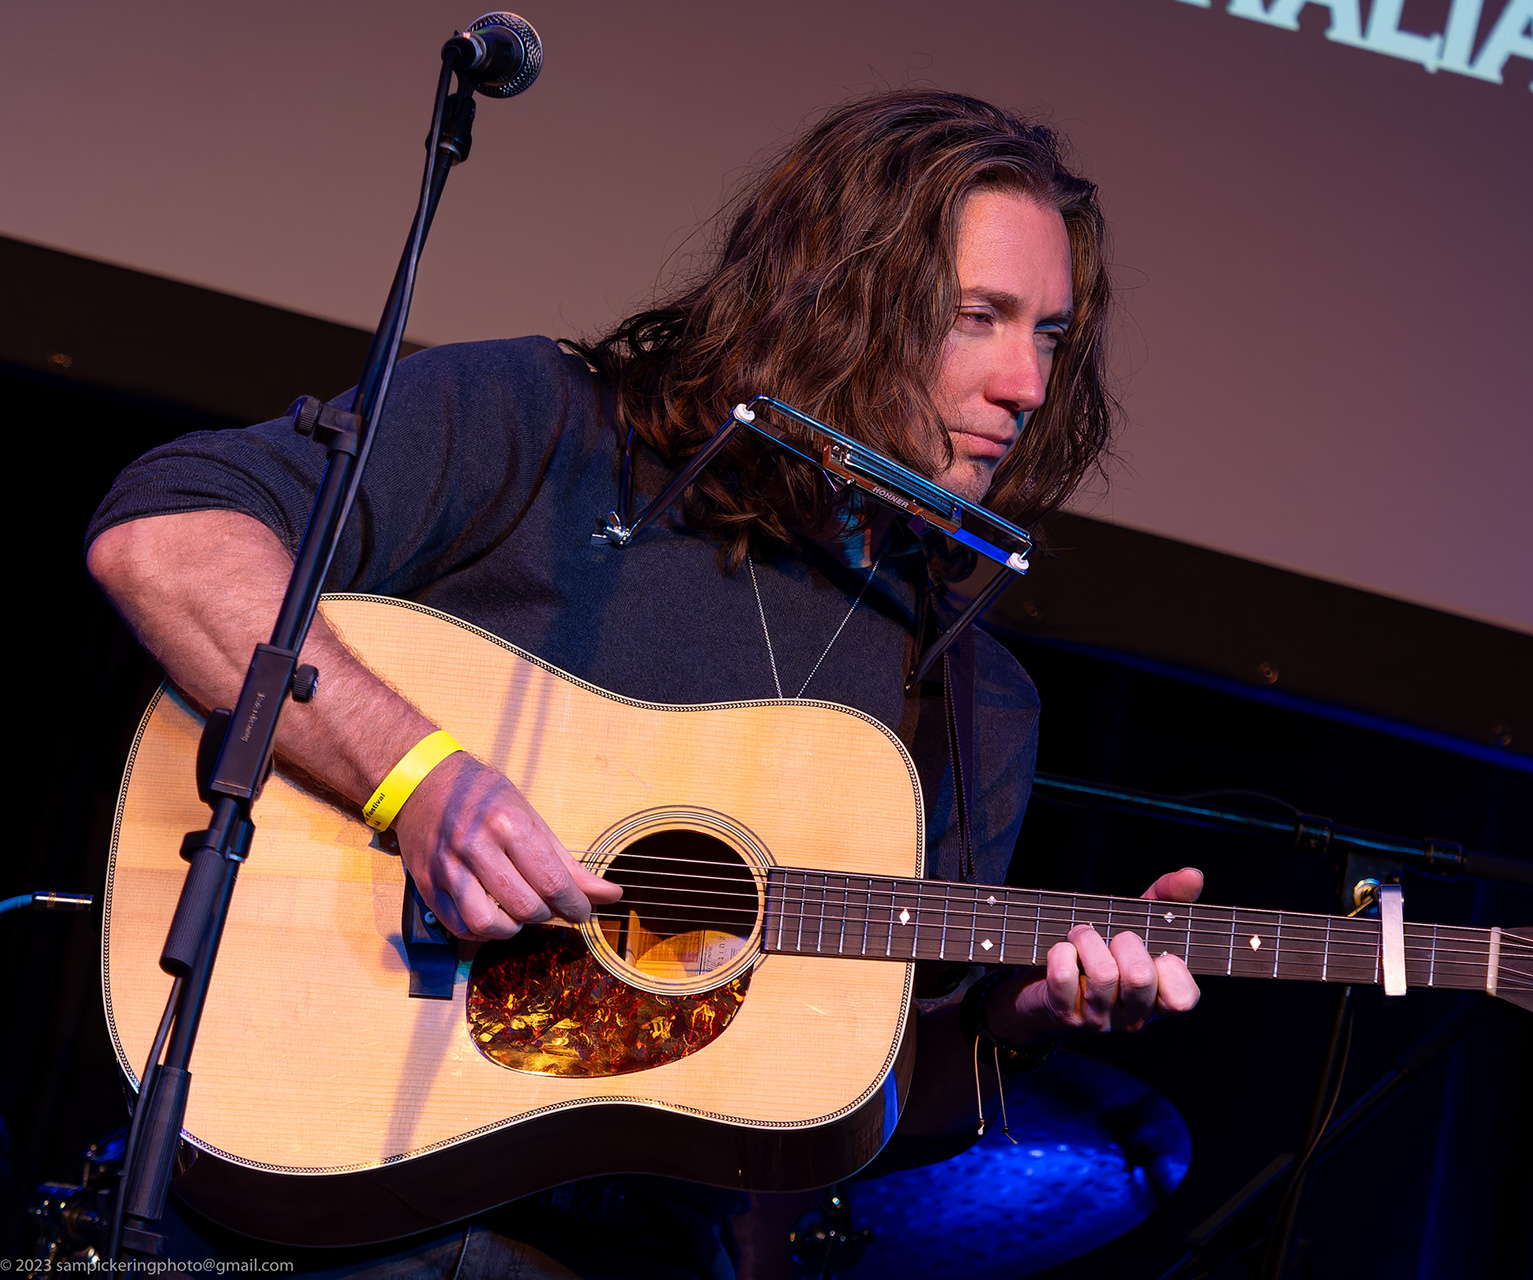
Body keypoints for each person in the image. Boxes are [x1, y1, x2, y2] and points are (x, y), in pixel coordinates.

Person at [87, 89, 1202, 1274]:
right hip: (300, 1196)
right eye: (981, 317)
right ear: (845, 292)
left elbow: (851, 1099)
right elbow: (166, 539)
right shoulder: (546, 423)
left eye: (1050, 335)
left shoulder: (971, 698)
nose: (1026, 384)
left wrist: (1023, 1023)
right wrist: (416, 778)